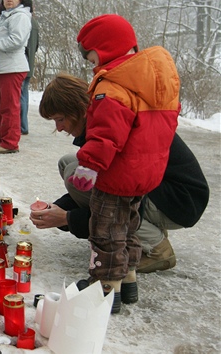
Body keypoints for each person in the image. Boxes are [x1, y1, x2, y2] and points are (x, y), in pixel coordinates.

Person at [43, 15, 180, 314]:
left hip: (116, 176)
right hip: (143, 177)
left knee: (105, 232)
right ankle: (127, 280)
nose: (92, 64)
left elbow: (106, 136)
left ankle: (104, 288)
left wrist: (88, 168)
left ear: (105, 49)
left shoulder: (113, 87)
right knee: (128, 229)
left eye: (92, 56)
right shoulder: (153, 84)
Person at [35, 73, 209, 276]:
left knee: (77, 175)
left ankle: (155, 246)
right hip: (160, 190)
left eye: (61, 119)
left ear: (80, 110)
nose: (59, 128)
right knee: (70, 164)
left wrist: (68, 218)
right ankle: (144, 231)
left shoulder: (112, 127)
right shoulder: (102, 117)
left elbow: (119, 198)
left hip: (179, 202)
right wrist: (57, 208)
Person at [0, 0, 31, 154]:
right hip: (2, 68)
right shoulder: (5, 16)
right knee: (1, 105)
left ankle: (10, 142)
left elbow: (16, 41)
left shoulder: (20, 16)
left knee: (10, 107)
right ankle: (2, 137)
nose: (9, 0)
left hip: (13, 67)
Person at [19, 0, 39, 135]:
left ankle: (21, 126)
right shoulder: (35, 23)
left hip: (21, 64)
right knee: (24, 95)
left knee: (19, 96)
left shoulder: (23, 21)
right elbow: (36, 45)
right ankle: (24, 126)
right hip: (29, 64)